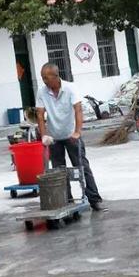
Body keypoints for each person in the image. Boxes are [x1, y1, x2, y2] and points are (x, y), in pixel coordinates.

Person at [36, 63, 105, 211]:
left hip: (71, 134)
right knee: (59, 171)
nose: (44, 81)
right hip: (54, 136)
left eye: (46, 78)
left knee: (82, 167)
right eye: (42, 78)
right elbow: (40, 115)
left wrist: (77, 131)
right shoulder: (42, 92)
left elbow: (78, 110)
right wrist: (44, 135)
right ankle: (66, 200)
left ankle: (94, 199)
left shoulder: (70, 88)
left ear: (56, 76)